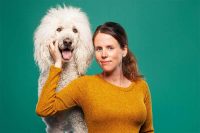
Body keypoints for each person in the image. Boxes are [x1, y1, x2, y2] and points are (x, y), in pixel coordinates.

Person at [36, 22, 154, 133]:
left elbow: (147, 130)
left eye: (110, 48)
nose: (103, 54)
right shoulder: (84, 85)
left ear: (124, 50)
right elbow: (44, 109)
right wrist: (57, 64)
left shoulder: (141, 86)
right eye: (98, 49)